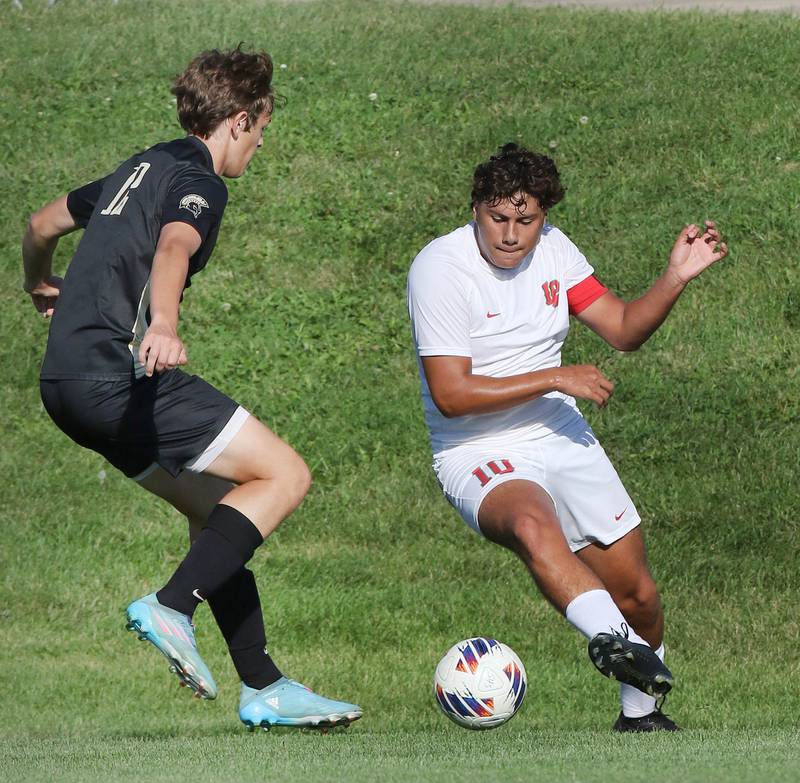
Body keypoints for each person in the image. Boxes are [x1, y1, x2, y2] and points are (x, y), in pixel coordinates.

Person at [23, 46, 361, 732]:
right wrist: (165, 325)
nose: (261, 143)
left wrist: (37, 282)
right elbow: (176, 245)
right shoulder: (198, 179)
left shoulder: (138, 165)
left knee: (217, 517)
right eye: (262, 128)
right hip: (112, 375)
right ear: (239, 120)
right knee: (285, 475)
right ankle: (173, 605)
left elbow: (40, 224)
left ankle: (264, 685)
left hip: (62, 385)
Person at [407, 143, 727, 732]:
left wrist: (674, 277)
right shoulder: (440, 267)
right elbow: (451, 393)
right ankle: (609, 639)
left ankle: (639, 718)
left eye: (525, 220)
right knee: (532, 523)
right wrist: (556, 376)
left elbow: (624, 329)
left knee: (638, 596)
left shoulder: (555, 252)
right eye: (497, 217)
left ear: (543, 217)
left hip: (557, 431)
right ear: (475, 208)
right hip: (476, 448)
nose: (510, 234)